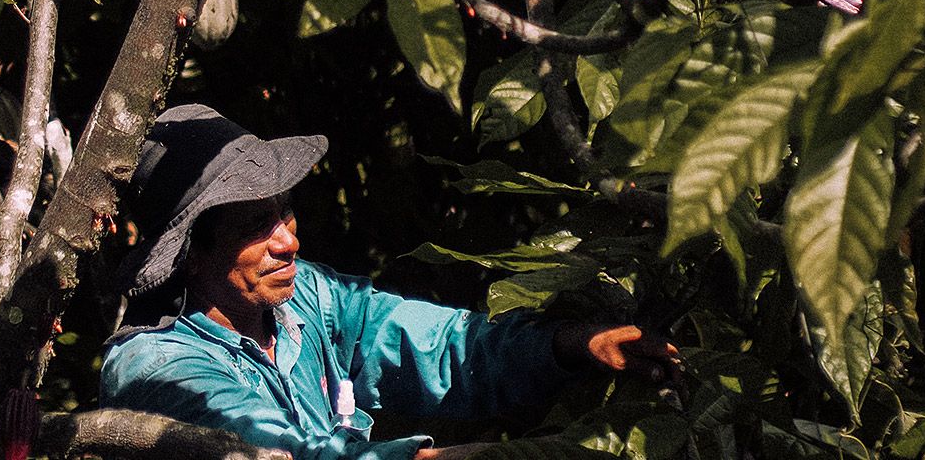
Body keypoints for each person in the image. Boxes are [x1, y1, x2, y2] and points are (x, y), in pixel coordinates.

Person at [99, 104, 680, 460]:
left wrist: (571, 344)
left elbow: (443, 345)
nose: (289, 241)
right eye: (256, 225)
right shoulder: (157, 369)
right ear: (190, 256)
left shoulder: (307, 301)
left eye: (286, 212)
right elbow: (285, 456)